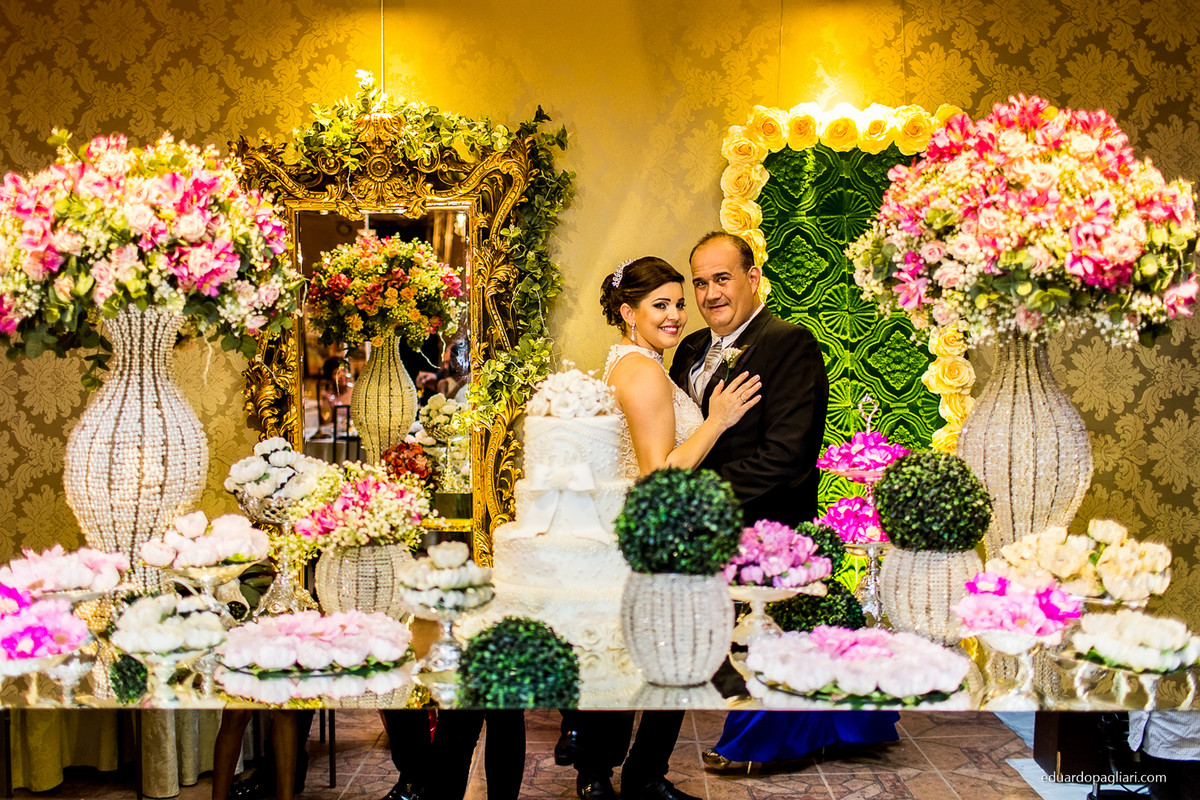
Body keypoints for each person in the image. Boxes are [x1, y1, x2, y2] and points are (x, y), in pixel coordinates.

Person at [669, 231, 897, 769]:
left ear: (753, 278)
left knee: (767, 641)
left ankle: (767, 741)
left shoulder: (788, 342)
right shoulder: (691, 349)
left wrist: (701, 497)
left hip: (766, 528)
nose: (709, 294)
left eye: (722, 278)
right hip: (705, 537)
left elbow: (788, 455)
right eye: (700, 283)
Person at [568, 255, 761, 800]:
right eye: (661, 305)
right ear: (629, 312)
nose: (677, 315)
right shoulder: (645, 372)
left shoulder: (626, 361)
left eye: (679, 303)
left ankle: (614, 776)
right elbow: (656, 472)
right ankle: (627, 777)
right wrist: (719, 421)